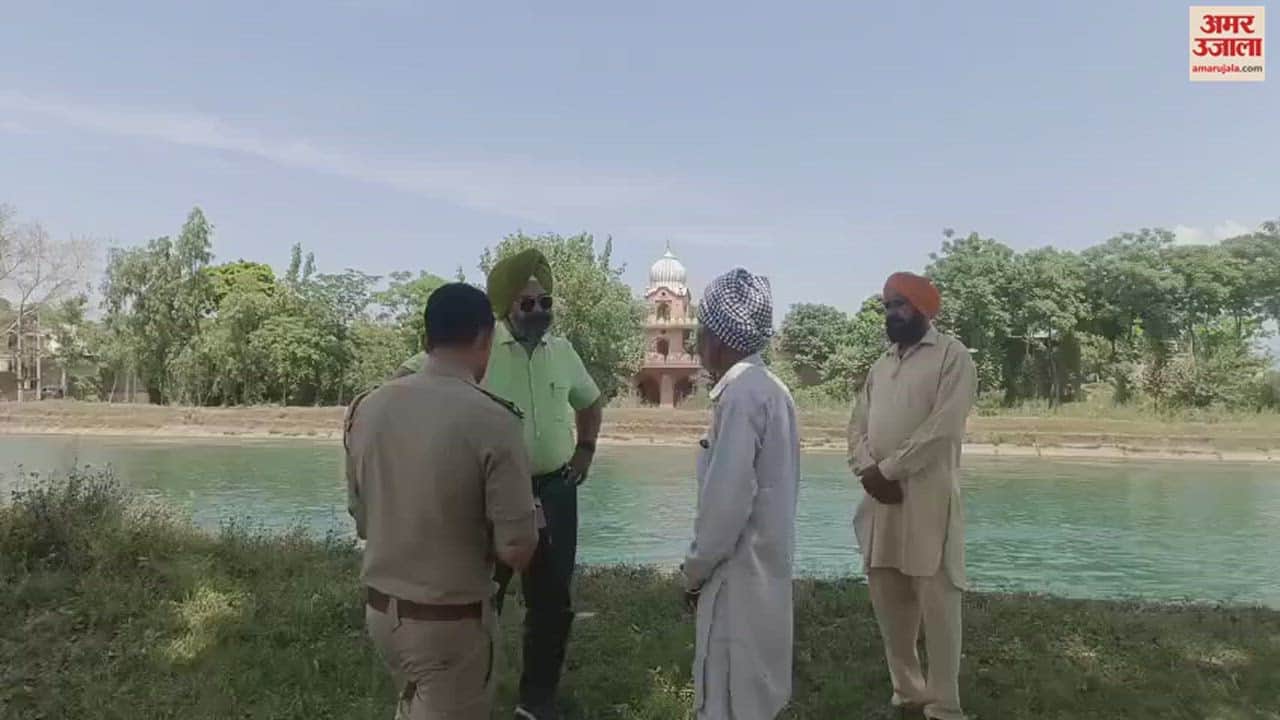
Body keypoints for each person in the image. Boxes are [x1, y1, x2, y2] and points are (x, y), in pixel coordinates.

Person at [393, 248, 604, 720]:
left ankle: (537, 702)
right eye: (528, 304)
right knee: (478, 599)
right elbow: (408, 378)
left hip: (554, 490)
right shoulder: (479, 346)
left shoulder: (563, 352)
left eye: (546, 302)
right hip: (487, 495)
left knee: (553, 603)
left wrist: (585, 450)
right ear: (506, 307)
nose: (540, 312)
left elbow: (590, 402)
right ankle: (464, 697)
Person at [345, 282, 539, 720]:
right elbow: (518, 549)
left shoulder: (366, 408)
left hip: (381, 613)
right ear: (484, 338)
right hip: (450, 626)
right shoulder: (494, 420)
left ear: (426, 338)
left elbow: (361, 521)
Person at [848, 272, 977, 720]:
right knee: (889, 602)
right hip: (880, 505)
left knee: (939, 603)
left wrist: (889, 470)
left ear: (923, 307)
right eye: (886, 305)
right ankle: (907, 693)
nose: (891, 313)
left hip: (927, 503)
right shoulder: (880, 365)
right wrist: (867, 469)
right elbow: (856, 426)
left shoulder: (953, 357)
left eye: (899, 304)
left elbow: (943, 428)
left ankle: (944, 705)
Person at [681, 267, 800, 720]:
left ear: (715, 337)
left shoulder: (740, 397)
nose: (697, 343)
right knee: (758, 697)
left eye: (699, 332)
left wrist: (692, 572)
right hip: (764, 575)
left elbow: (725, 504)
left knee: (728, 701)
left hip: (736, 579)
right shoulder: (772, 389)